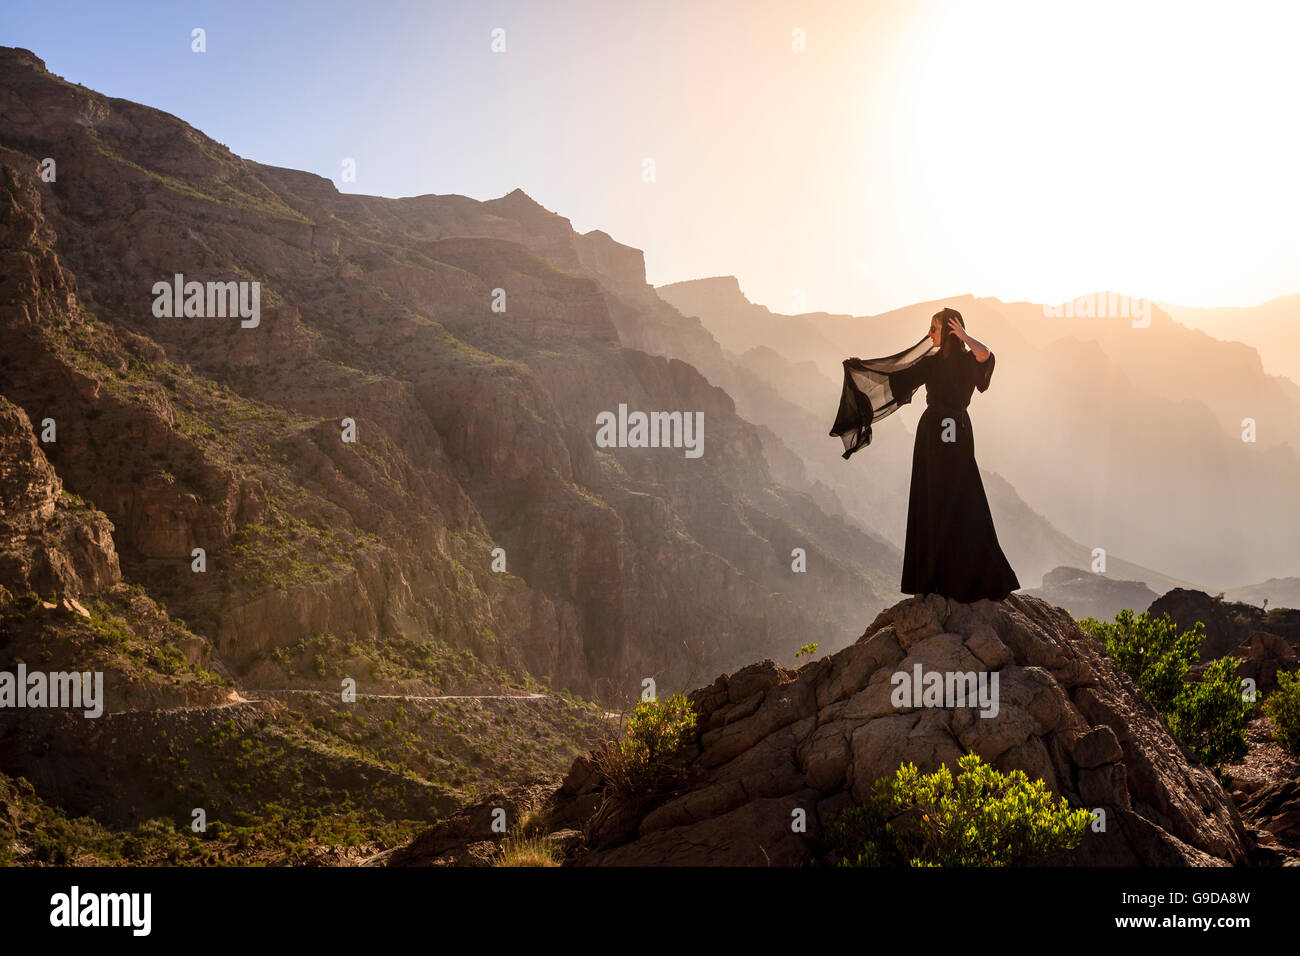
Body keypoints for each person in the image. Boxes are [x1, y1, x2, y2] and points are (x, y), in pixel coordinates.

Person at [829, 307, 1019, 602]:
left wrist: (965, 336)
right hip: (932, 435)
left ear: (951, 330)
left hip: (955, 432)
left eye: (935, 328)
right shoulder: (930, 363)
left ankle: (971, 578)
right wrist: (861, 369)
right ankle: (934, 580)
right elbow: (896, 374)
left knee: (965, 499)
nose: (929, 334)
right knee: (932, 499)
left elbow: (985, 355)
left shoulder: (969, 360)